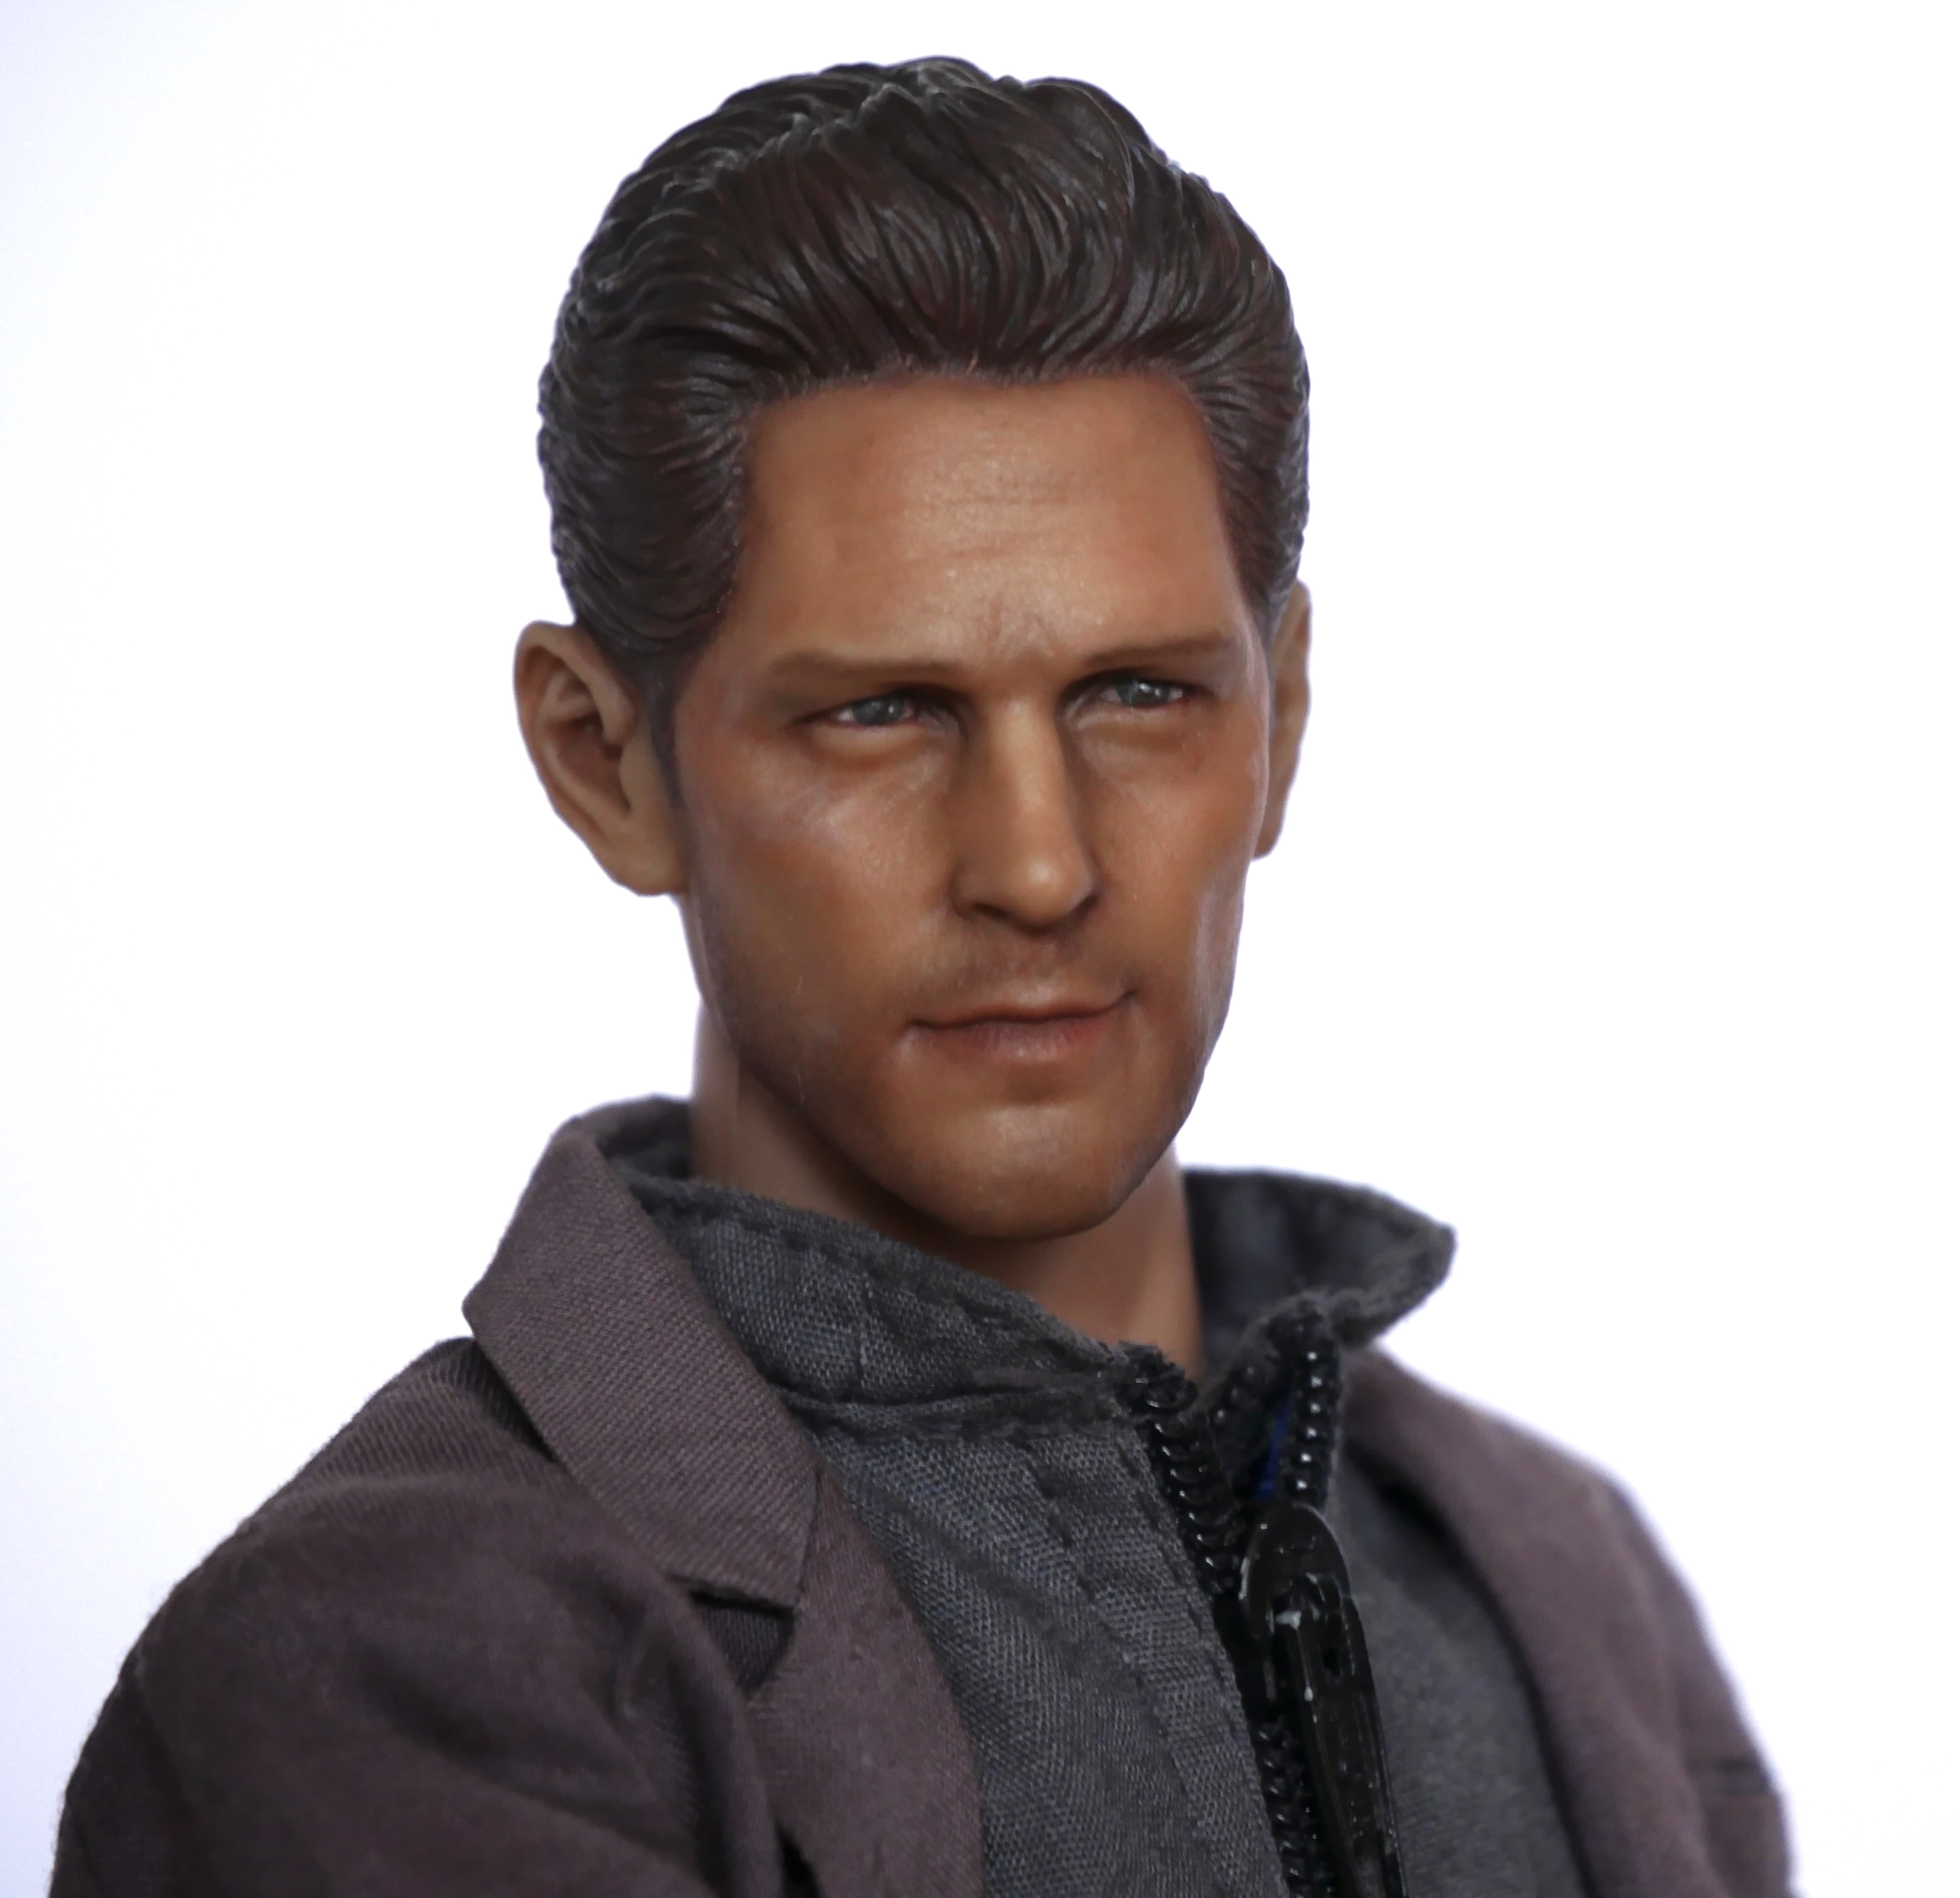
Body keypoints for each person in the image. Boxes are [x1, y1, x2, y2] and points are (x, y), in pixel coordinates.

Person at [51, 57, 1790, 1898]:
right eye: (879, 713)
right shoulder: (400, 1672)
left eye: (1142, 694)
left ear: (1280, 721)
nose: (1036, 865)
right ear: (604, 760)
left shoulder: (1562, 1596)